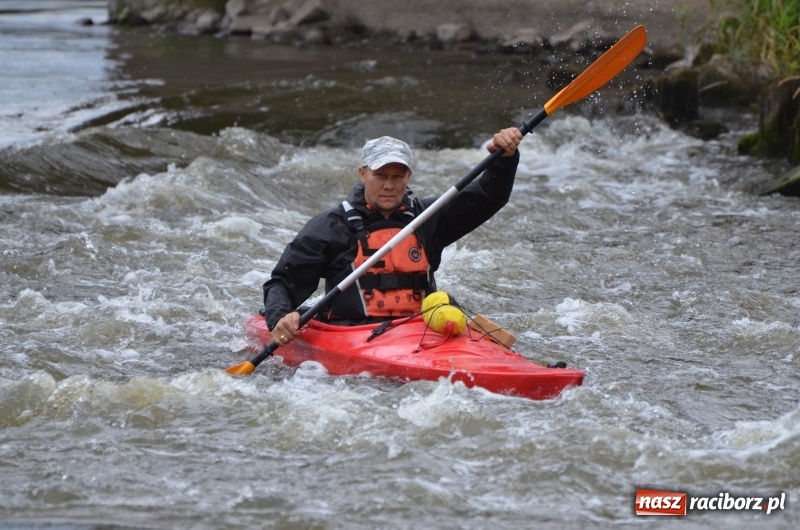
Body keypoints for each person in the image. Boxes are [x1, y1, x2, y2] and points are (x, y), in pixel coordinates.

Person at [263, 127, 523, 346]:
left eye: (398, 176)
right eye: (380, 176)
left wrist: (505, 160)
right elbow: (284, 282)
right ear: (362, 173)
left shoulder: (428, 218)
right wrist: (280, 317)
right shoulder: (331, 227)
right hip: (353, 333)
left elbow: (488, 197)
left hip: (418, 332)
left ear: (408, 176)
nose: (389, 185)